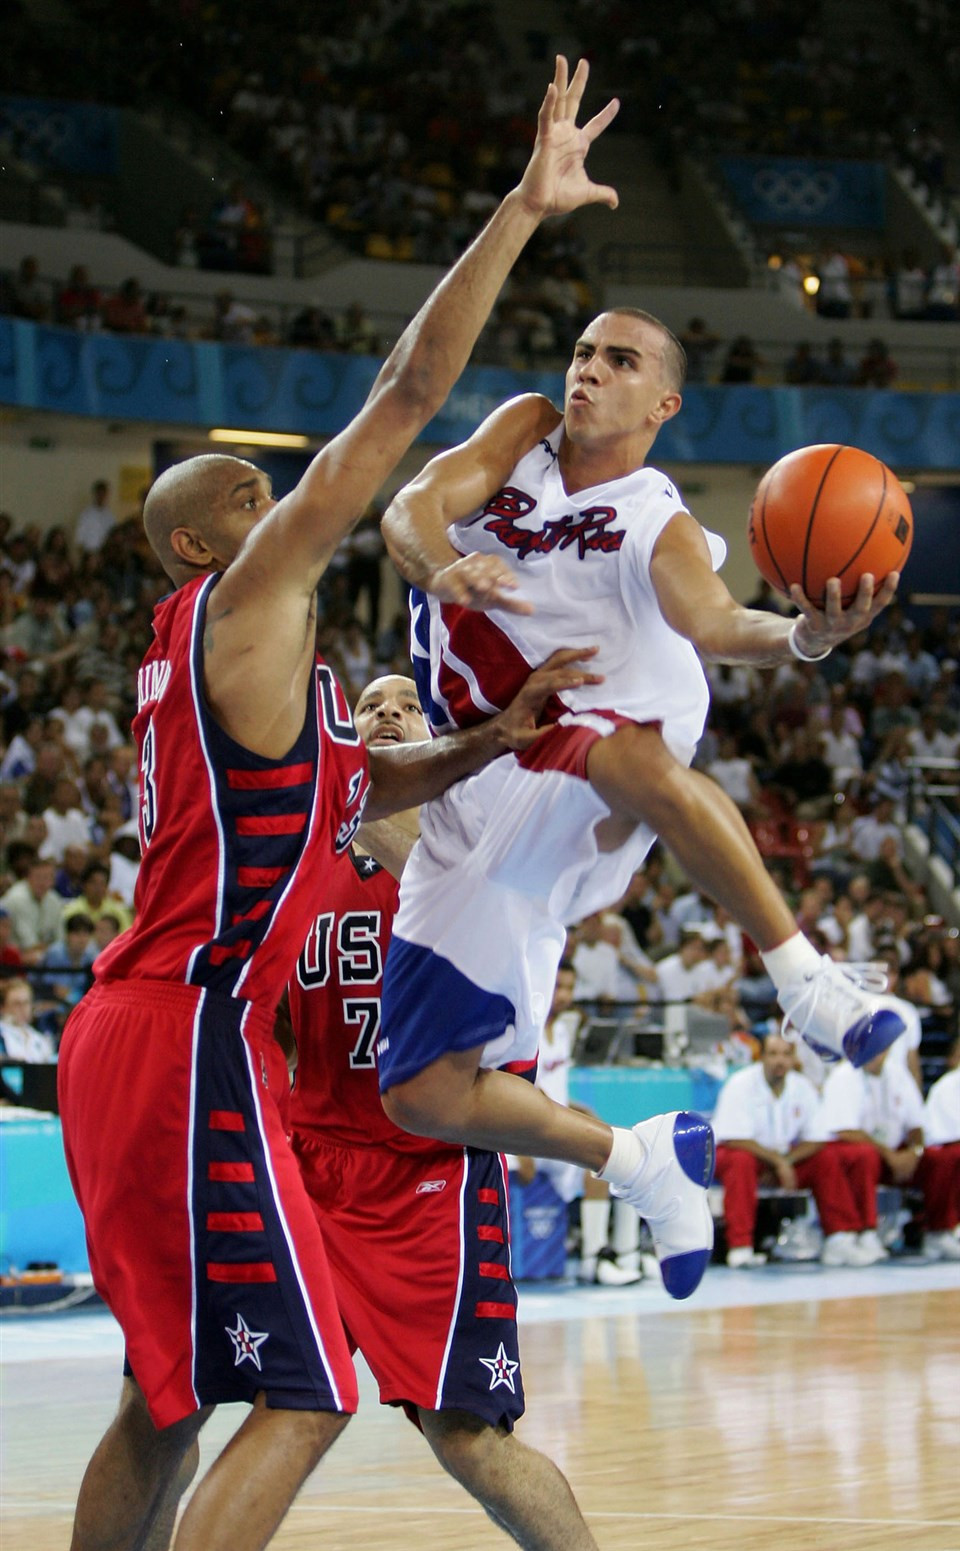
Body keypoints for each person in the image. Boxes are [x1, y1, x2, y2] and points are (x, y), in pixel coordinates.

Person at [55, 57, 622, 1551]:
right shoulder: (245, 597)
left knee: (164, 1401)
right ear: (198, 549)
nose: (277, 498)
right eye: (244, 497)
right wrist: (519, 207)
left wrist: (486, 734)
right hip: (190, 1035)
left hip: (134, 1029)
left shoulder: (220, 676)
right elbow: (408, 395)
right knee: (302, 1393)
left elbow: (353, 780)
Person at [374, 303, 905, 1304]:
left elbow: (711, 619)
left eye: (620, 361)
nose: (588, 372)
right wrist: (447, 569)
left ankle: (804, 978)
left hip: (586, 732)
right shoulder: (524, 433)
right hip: (472, 778)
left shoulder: (651, 514)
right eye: (582, 351)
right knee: (422, 1092)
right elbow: (411, 509)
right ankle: (643, 1162)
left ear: (664, 401)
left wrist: (806, 640)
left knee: (627, 758)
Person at [287, 675, 607, 1549]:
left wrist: (338, 774)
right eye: (369, 705)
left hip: (427, 1176)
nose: (387, 711)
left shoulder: (456, 840)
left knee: (466, 1435)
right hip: (310, 1166)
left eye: (407, 704)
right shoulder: (301, 857)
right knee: (268, 1404)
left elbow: (415, 840)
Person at [712, 1030, 880, 1268]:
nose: (779, 1061)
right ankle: (740, 1246)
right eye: (773, 1054)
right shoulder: (740, 1084)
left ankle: (839, 1238)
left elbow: (818, 1137)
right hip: (747, 1155)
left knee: (826, 1157)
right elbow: (734, 1138)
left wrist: (787, 1161)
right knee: (740, 1161)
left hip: (784, 1158)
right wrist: (780, 1162)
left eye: (785, 1054)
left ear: (793, 1059)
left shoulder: (802, 1087)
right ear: (761, 1058)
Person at [920, 1046, 960, 1261]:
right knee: (950, 1157)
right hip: (943, 1152)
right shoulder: (949, 1086)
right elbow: (951, 1134)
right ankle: (940, 1232)